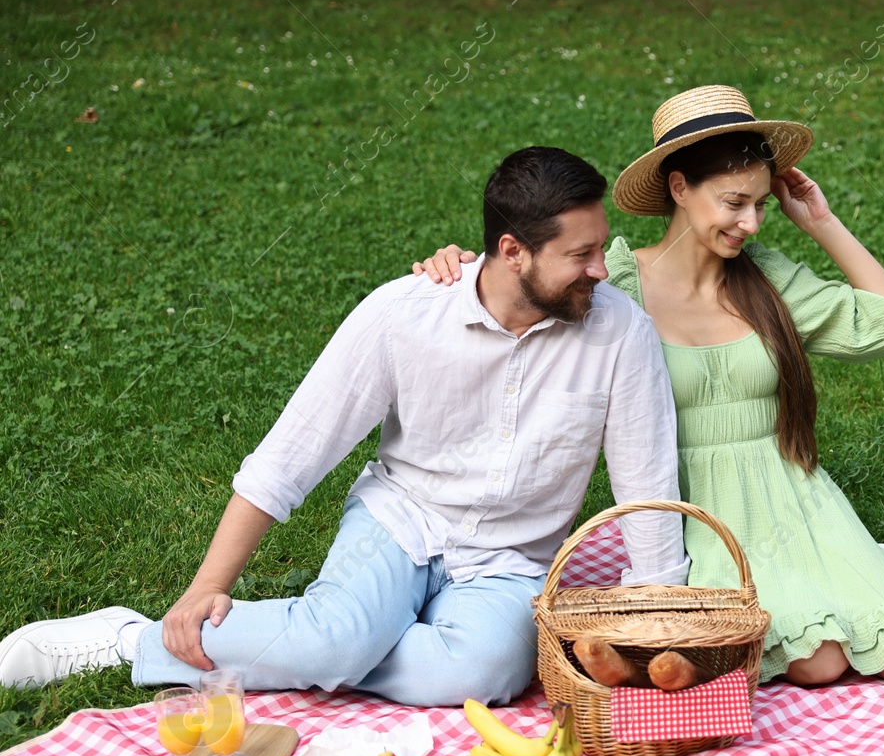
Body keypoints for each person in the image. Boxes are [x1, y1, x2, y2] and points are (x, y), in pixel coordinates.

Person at [0, 147, 686, 706]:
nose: (602, 268)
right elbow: (292, 453)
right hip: (400, 521)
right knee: (338, 640)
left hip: (511, 562)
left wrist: (666, 626)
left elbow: (647, 483)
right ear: (513, 251)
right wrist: (208, 584)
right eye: (581, 254)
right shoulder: (405, 313)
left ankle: (333, 640)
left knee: (479, 676)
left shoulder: (620, 333)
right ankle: (133, 638)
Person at [414, 85, 884, 687]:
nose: (750, 222)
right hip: (696, 516)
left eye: (761, 204)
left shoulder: (764, 278)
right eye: (733, 202)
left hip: (797, 500)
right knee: (817, 661)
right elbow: (519, 292)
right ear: (678, 189)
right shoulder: (612, 281)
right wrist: (462, 268)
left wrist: (821, 223)